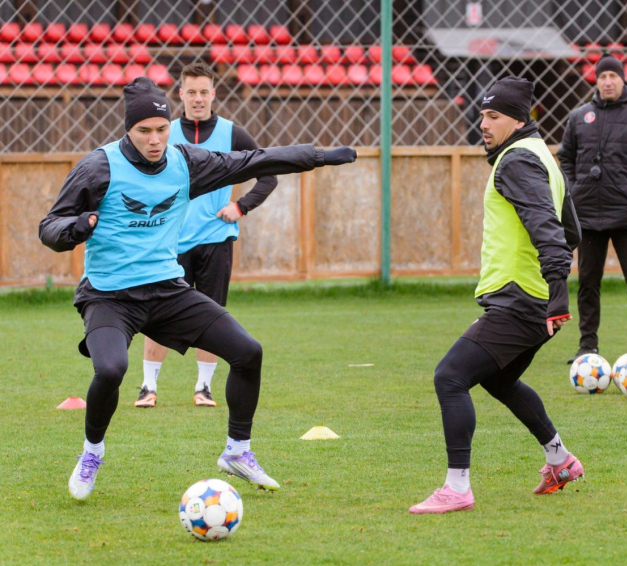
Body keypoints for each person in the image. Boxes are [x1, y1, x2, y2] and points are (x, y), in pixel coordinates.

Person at [38, 77, 357, 500]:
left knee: (248, 352)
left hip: (167, 290)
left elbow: (252, 161)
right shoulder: (99, 167)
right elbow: (49, 227)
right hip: (110, 296)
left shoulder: (184, 162)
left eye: (161, 129)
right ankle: (92, 452)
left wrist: (317, 157)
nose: (155, 139)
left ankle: (237, 451)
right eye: (144, 131)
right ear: (127, 130)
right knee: (111, 369)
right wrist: (76, 228)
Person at [410, 76, 583, 514]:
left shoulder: (516, 162)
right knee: (499, 380)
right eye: (482, 115)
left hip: (522, 300)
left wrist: (556, 292)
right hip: (534, 298)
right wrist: (553, 290)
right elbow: (573, 231)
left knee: (450, 377)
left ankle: (457, 488)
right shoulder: (543, 155)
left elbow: (549, 230)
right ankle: (560, 459)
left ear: (519, 119)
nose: (483, 124)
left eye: (493, 117)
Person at [135, 62, 279, 409]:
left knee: (212, 314)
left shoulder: (232, 133)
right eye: (191, 92)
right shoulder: (162, 132)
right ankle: (148, 387)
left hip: (215, 239)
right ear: (180, 94)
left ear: (213, 95)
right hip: (169, 243)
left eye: (204, 92)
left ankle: (204, 388)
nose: (198, 99)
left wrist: (240, 207)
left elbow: (269, 175)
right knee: (157, 312)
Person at [558, 55, 627, 364]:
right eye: (602, 76)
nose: (608, 82)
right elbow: (565, 157)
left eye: (613, 76)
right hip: (588, 216)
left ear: (623, 80)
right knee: (588, 283)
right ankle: (587, 346)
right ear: (596, 80)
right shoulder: (579, 117)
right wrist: (575, 188)